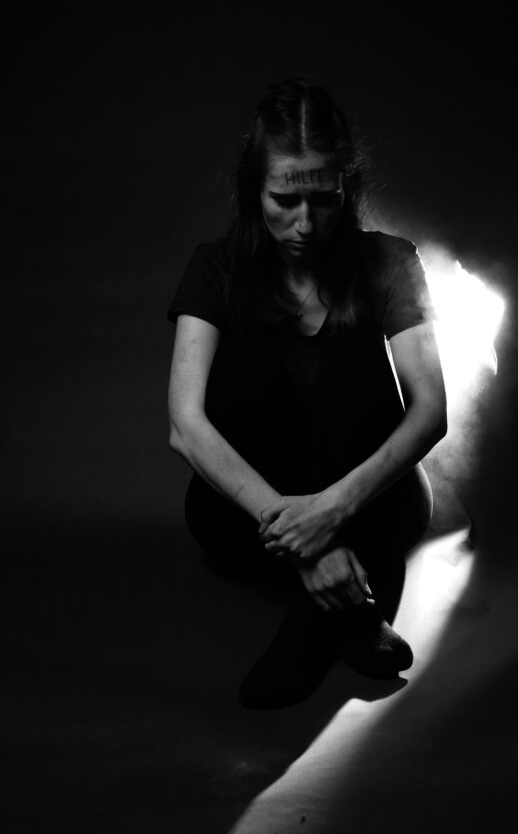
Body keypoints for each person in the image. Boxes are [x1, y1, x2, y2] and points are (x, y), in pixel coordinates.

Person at [167, 77, 447, 708]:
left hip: (373, 498)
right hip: (242, 510)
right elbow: (185, 425)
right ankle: (352, 610)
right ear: (252, 190)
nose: (304, 223)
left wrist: (333, 510)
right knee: (248, 381)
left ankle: (310, 627)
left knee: (356, 371)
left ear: (345, 188)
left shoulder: (392, 261)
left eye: (323, 200)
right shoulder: (213, 269)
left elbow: (429, 413)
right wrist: (301, 534)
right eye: (283, 201)